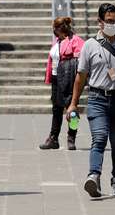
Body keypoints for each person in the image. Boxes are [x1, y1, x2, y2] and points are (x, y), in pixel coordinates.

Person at [65, 3, 115, 198]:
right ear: (100, 22)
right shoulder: (90, 45)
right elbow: (81, 76)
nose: (113, 24)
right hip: (97, 98)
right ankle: (94, 176)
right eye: (109, 21)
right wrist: (73, 103)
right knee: (99, 137)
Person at [40, 17, 85, 151]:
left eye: (55, 28)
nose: (54, 31)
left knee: (72, 110)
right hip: (56, 78)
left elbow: (81, 61)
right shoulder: (57, 41)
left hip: (69, 79)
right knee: (56, 109)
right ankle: (53, 138)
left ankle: (71, 137)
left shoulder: (76, 40)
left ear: (61, 29)